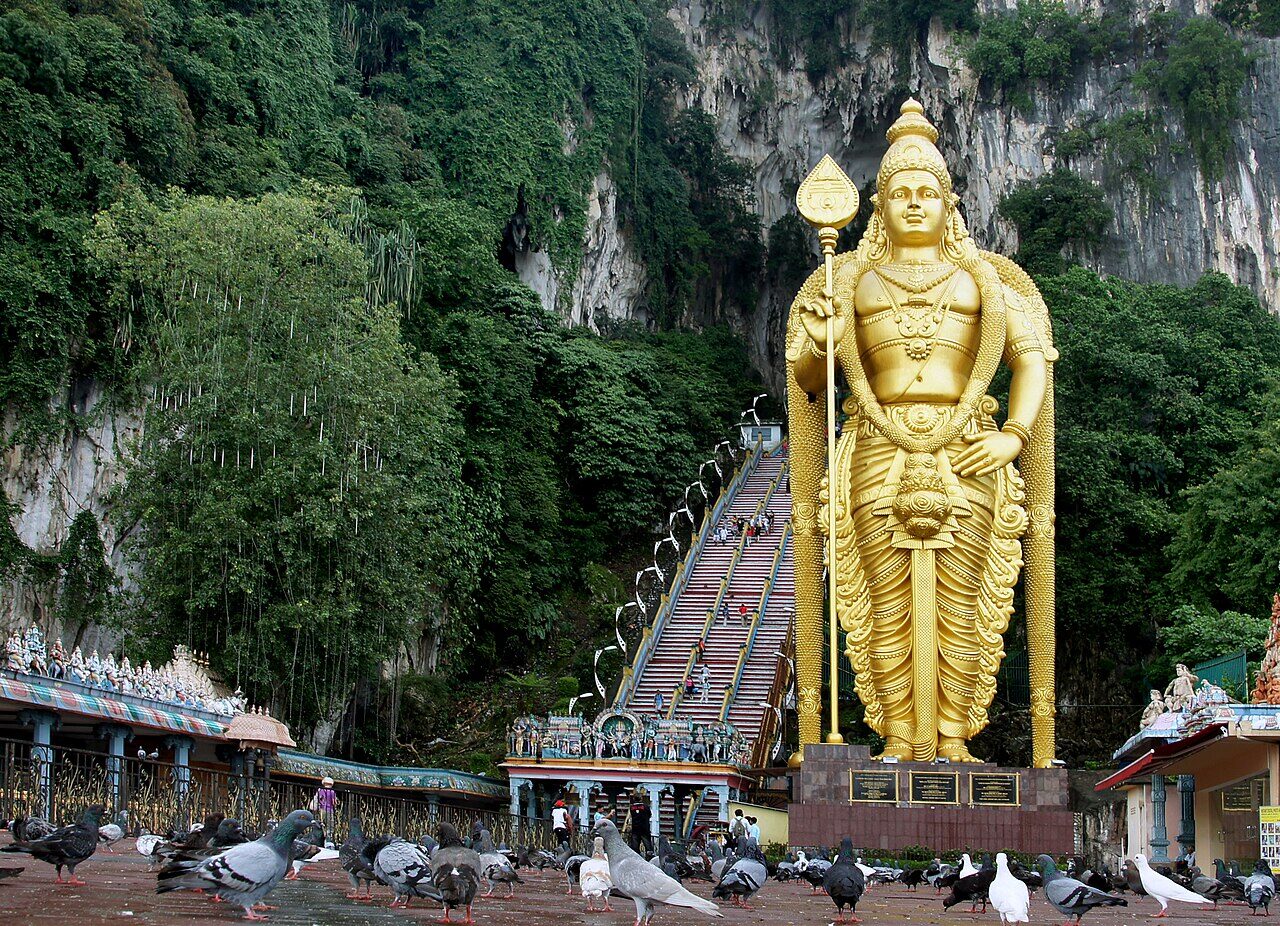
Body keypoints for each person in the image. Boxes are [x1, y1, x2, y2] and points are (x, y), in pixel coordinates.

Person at [787, 98, 1056, 765]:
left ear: (949, 204)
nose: (913, 204)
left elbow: (1032, 358)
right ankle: (900, 736)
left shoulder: (983, 282)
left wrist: (1014, 435)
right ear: (879, 206)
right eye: (900, 193)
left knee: (963, 603)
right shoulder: (849, 280)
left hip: (967, 449)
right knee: (884, 605)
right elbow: (810, 379)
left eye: (926, 193)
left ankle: (955, 736)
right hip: (877, 448)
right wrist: (820, 337)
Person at [627, 791, 653, 855]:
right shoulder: (646, 807)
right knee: (648, 847)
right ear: (641, 798)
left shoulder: (632, 808)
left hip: (635, 829)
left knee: (635, 847)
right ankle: (649, 856)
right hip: (644, 828)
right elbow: (649, 815)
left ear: (634, 799)